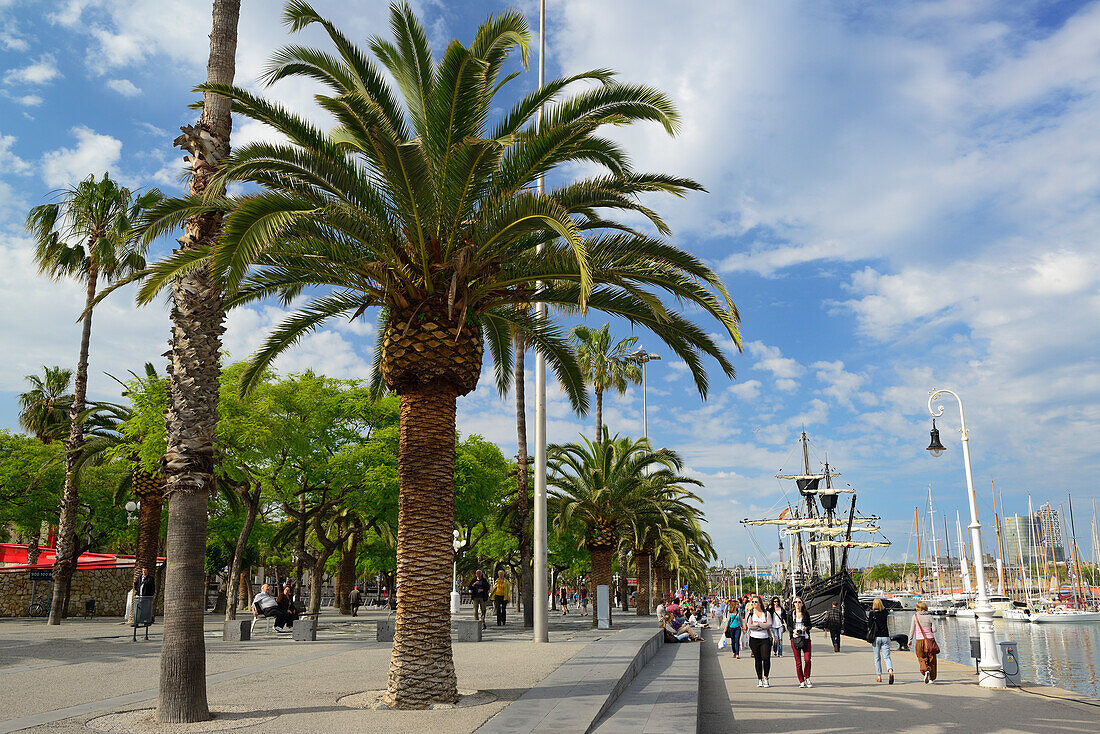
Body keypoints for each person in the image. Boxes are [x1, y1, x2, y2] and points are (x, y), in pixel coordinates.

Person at [746, 595, 774, 687]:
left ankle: (766, 677)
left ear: (760, 603)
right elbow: (750, 626)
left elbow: (769, 625)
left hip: (765, 639)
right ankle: (759, 679)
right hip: (754, 639)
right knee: (757, 659)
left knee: (766, 658)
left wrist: (757, 624)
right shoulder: (750, 613)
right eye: (753, 602)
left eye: (756, 602)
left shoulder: (766, 613)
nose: (754, 604)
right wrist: (762, 626)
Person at [910, 601, 938, 683]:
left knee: (921, 657)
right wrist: (930, 631)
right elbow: (935, 629)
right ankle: (931, 678)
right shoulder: (929, 616)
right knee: (932, 659)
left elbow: (912, 630)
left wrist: (910, 640)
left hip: (919, 641)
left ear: (918, 608)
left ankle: (925, 670)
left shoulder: (915, 616)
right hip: (930, 640)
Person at [788, 596, 813, 688]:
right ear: (793, 604)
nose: (797, 604)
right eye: (795, 602)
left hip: (805, 638)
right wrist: (793, 631)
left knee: (807, 659)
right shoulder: (791, 614)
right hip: (795, 639)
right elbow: (789, 626)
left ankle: (807, 677)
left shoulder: (806, 614)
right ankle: (801, 680)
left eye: (799, 602)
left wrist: (805, 628)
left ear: (802, 603)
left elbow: (810, 625)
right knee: (798, 662)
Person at [869, 598, 894, 684]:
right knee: (887, 657)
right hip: (885, 637)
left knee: (877, 657)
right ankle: (890, 671)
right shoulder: (885, 612)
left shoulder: (872, 613)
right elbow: (885, 610)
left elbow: (869, 625)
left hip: (876, 637)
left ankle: (879, 676)